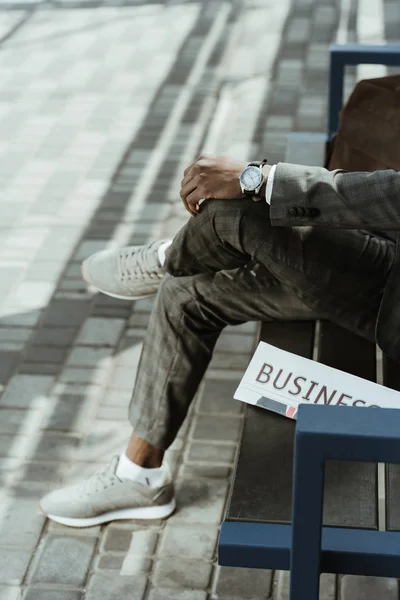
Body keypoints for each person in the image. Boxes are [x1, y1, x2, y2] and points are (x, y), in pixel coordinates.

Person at [40, 155, 399, 527]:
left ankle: (169, 257)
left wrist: (261, 178)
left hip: (391, 294)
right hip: (386, 239)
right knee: (184, 294)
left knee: (237, 208)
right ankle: (137, 476)